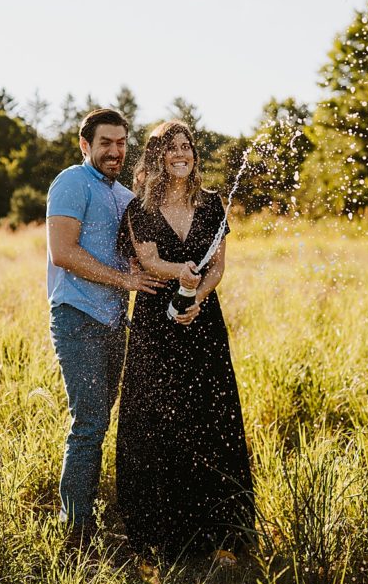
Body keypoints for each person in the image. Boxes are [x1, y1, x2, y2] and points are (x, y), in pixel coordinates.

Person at [115, 120, 255, 560]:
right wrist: (181, 276)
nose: (181, 153)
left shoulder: (213, 204)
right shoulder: (140, 208)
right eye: (170, 147)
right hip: (157, 321)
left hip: (203, 322)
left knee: (210, 416)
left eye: (186, 146)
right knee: (157, 418)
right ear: (156, 156)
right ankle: (161, 535)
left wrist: (199, 293)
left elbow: (217, 266)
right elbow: (149, 259)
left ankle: (220, 535)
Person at [46, 108, 165, 538]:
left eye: (121, 143)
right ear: (85, 145)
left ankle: (91, 515)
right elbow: (63, 251)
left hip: (116, 323)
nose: (115, 151)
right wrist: (125, 279)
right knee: (89, 424)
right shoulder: (72, 182)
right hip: (78, 318)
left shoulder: (123, 197)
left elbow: (135, 252)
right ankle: (76, 531)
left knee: (101, 421)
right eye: (105, 143)